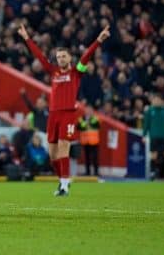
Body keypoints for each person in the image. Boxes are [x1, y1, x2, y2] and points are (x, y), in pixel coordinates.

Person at [17, 23, 110, 196]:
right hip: (53, 115)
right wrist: (26, 38)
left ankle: (65, 185)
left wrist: (98, 41)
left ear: (69, 58)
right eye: (58, 57)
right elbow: (39, 56)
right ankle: (63, 181)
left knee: (63, 148)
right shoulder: (53, 72)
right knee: (52, 156)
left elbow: (86, 57)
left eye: (63, 56)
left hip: (68, 114)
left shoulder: (76, 72)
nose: (60, 59)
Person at [142, 94, 164, 180]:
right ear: (152, 101)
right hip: (154, 137)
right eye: (155, 100)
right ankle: (152, 173)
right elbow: (146, 124)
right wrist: (144, 135)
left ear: (161, 101)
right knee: (153, 155)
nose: (156, 101)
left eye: (158, 100)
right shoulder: (149, 111)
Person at [77, 105, 100, 176]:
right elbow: (78, 127)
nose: (88, 111)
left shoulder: (95, 118)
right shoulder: (81, 119)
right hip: (85, 141)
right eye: (87, 110)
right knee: (87, 158)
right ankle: (88, 172)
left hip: (94, 141)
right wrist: (87, 125)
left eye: (90, 110)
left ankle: (96, 172)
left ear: (92, 111)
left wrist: (86, 125)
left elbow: (97, 126)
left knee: (95, 158)